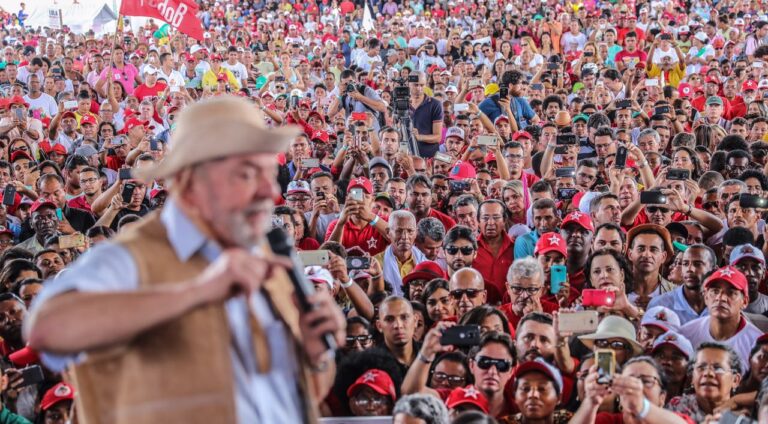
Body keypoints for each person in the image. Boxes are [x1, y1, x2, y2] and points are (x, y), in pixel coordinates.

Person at [25, 96, 346, 423]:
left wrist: (315, 355)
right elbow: (47, 329)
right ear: (194, 179)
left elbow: (288, 396)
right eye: (249, 174)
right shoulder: (133, 255)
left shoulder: (266, 258)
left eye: (269, 173)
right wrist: (199, 292)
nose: (269, 191)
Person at [680, 266, 763, 369]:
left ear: (745, 302)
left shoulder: (757, 344)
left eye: (731, 293)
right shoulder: (686, 334)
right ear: (706, 297)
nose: (721, 298)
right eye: (715, 291)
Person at [572, 356, 691, 424]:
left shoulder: (677, 419)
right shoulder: (607, 421)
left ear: (662, 397)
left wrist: (641, 407)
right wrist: (591, 402)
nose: (636, 386)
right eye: (628, 381)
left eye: (646, 381)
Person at [668, 343, 744, 422]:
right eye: (701, 367)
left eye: (718, 368)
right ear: (692, 378)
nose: (708, 373)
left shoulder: (743, 414)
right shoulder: (677, 407)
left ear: (735, 380)